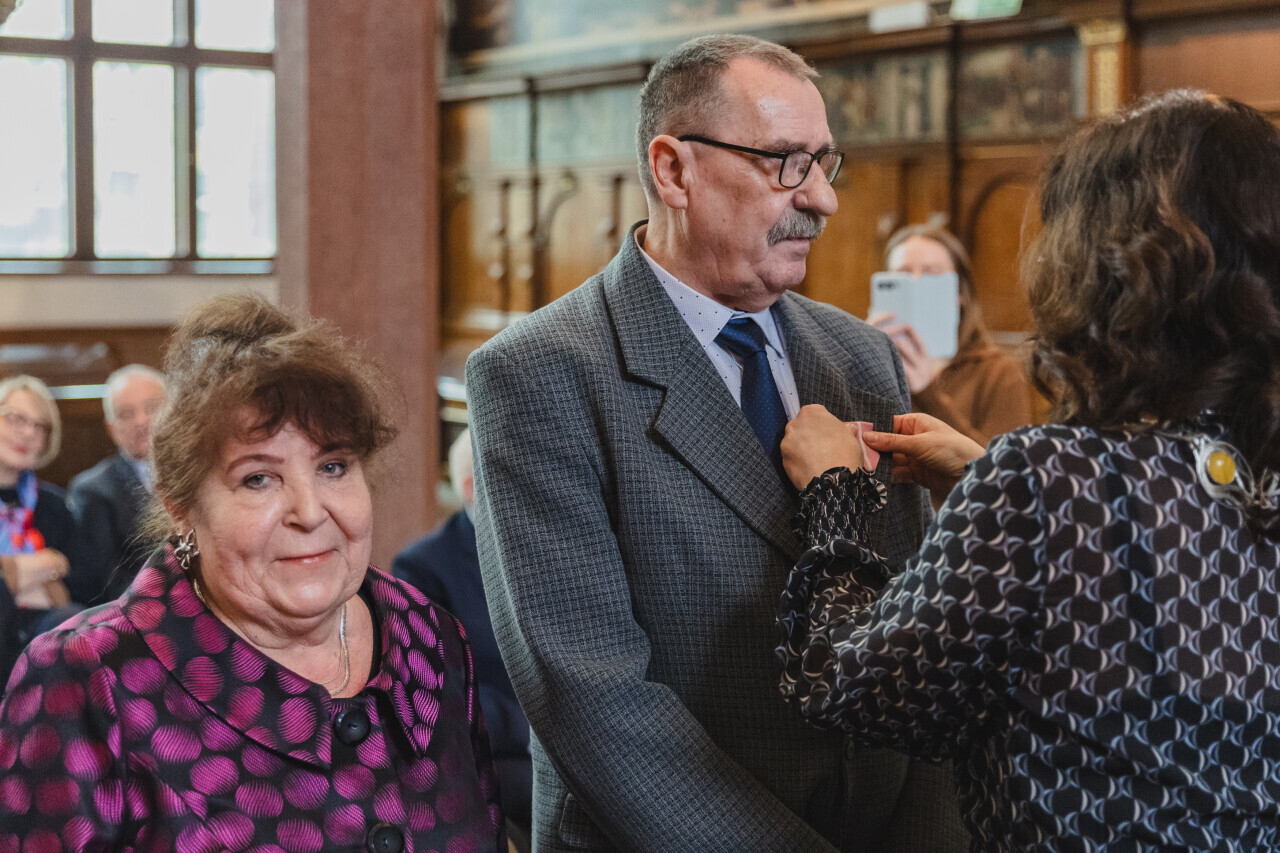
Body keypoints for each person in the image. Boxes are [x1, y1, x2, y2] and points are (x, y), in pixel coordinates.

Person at [467, 33, 966, 852]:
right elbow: (594, 699)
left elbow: (923, 639)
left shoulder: (861, 357)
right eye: (786, 164)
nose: (823, 200)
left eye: (824, 163)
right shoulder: (541, 373)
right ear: (674, 171)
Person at [775, 89, 1280, 851]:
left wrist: (835, 493)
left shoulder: (1049, 481)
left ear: (1100, 269)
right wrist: (988, 484)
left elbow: (847, 685)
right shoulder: (1228, 467)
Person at [0, 294, 507, 852]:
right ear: (180, 505)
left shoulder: (429, 635)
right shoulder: (84, 681)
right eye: (258, 479)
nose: (310, 512)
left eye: (333, 466)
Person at [394, 428, 533, 850]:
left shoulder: (544, 549)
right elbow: (438, 692)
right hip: (497, 755)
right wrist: (534, 724)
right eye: (515, 479)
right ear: (473, 489)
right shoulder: (423, 567)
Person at [869, 224, 1033, 448]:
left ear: (960, 293)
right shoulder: (872, 364)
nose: (917, 285)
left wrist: (927, 393)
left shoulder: (998, 374)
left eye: (931, 274)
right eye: (903, 276)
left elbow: (1003, 463)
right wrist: (863, 356)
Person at [0, 375, 87, 684]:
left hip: (42, 637)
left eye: (39, 426)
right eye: (16, 419)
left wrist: (11, 576)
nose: (28, 433)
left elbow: (82, 584)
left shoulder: (54, 504)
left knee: (73, 624)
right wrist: (43, 567)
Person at [69, 364, 167, 603]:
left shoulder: (202, 472)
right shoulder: (93, 491)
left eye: (151, 408)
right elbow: (108, 582)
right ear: (111, 429)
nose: (141, 421)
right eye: (126, 414)